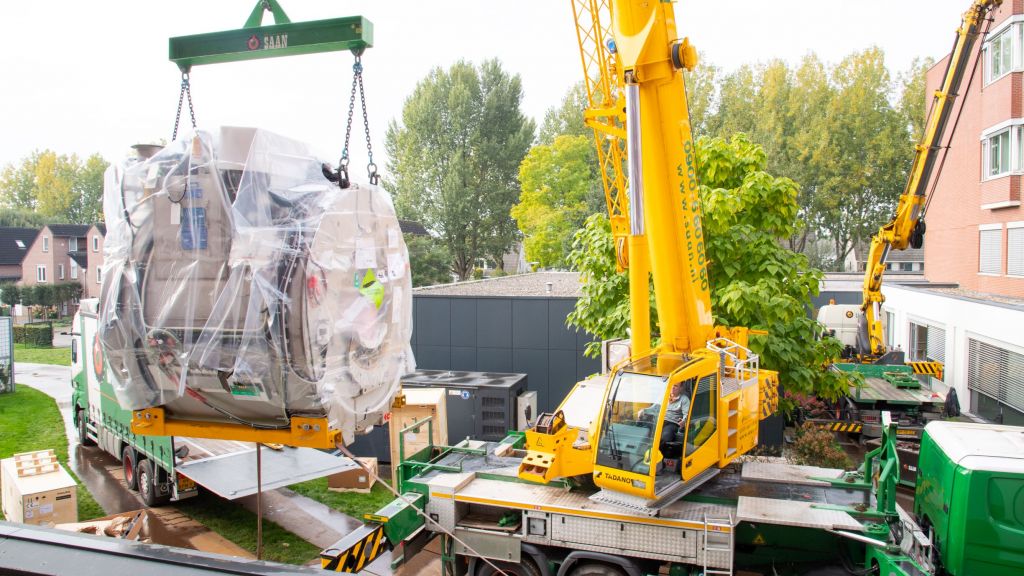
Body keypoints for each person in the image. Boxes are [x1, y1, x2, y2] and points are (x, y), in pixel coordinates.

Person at [640, 381, 691, 448]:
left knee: (665, 437)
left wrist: (683, 422)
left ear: (681, 388)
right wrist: (643, 411)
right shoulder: (664, 396)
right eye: (671, 385)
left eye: (675, 386)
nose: (672, 388)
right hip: (659, 420)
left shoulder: (684, 399)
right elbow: (654, 408)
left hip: (672, 423)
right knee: (642, 430)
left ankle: (656, 453)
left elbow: (687, 415)